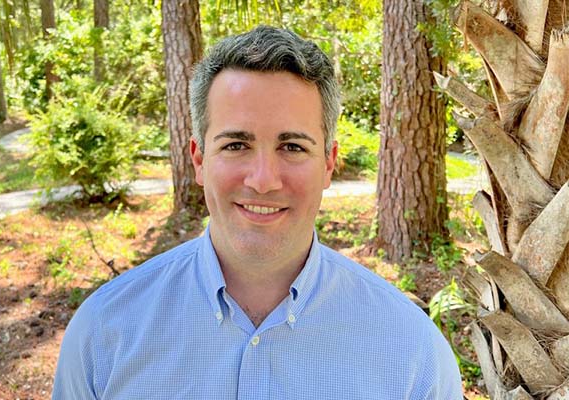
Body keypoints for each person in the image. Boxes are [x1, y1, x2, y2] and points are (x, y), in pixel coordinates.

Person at [52, 26, 463, 399]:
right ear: (198, 159)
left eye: (293, 147)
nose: (264, 179)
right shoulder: (104, 334)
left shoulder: (412, 352)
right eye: (236, 145)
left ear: (328, 163)